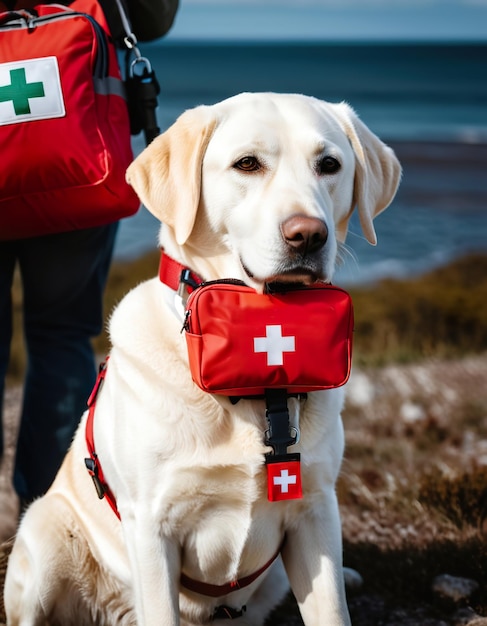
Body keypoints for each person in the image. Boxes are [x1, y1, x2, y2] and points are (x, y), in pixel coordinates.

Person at [0, 0, 179, 508]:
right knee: (61, 338)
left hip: (68, 172)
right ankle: (56, 517)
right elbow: (152, 19)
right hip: (78, 171)